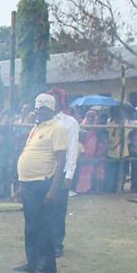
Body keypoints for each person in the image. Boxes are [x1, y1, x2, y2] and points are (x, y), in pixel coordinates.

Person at [14, 94, 67, 273]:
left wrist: (54, 189)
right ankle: (32, 262)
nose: (38, 111)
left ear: (51, 109)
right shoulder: (36, 127)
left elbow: (61, 161)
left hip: (43, 183)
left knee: (43, 227)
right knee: (30, 227)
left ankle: (47, 270)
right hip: (28, 183)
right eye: (37, 108)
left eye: (42, 108)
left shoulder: (57, 128)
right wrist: (21, 185)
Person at [47, 90, 78, 257]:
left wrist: (69, 175)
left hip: (61, 171)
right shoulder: (43, 121)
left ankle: (57, 244)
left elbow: (72, 149)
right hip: (43, 172)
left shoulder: (69, 122)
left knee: (58, 209)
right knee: (45, 209)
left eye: (54, 99)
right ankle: (45, 242)